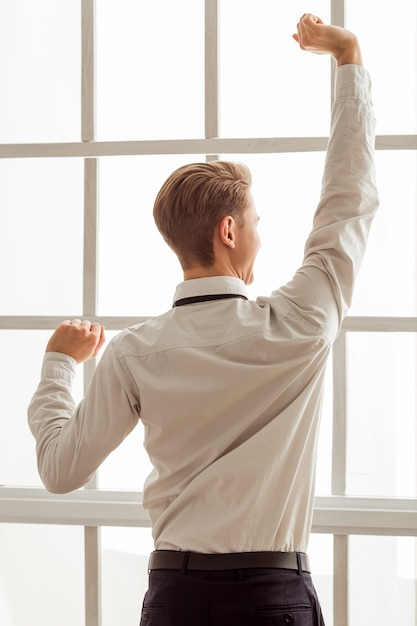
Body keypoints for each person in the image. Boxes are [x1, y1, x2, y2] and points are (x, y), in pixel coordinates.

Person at [28, 14, 378, 626]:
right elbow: (347, 201)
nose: (261, 237)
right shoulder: (299, 321)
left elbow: (61, 470)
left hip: (176, 597)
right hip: (274, 597)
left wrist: (59, 365)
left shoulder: (133, 352)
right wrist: (348, 59)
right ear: (229, 230)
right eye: (258, 223)